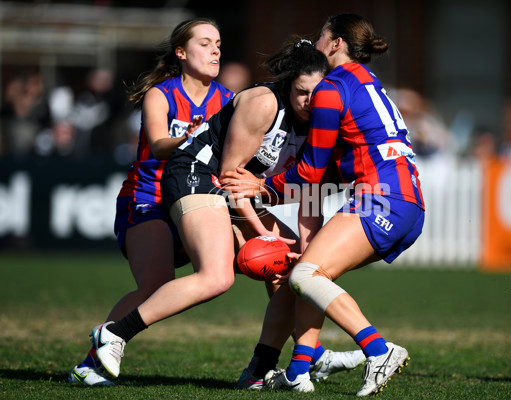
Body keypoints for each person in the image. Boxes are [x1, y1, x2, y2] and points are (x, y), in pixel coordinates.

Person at [86, 36, 364, 383]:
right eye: (301, 92)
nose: (309, 102)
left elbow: (311, 191)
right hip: (196, 173)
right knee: (217, 278)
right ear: (288, 84)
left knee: (297, 274)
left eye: (317, 94)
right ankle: (113, 334)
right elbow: (229, 178)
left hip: (230, 192)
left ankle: (266, 369)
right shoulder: (264, 103)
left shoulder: (323, 122)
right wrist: (262, 233)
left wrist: (305, 252)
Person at [223, 13, 425, 396]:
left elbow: (312, 172)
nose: (314, 44)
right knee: (311, 271)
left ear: (336, 44)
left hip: (380, 198)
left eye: (321, 36)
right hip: (405, 201)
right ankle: (299, 370)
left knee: (304, 276)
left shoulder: (332, 87)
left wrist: (261, 186)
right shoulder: (368, 81)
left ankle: (378, 350)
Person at [68, 18, 234, 386]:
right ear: (181, 52)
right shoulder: (162, 93)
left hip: (197, 197)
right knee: (155, 284)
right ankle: (92, 362)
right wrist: (190, 138)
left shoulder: (226, 99)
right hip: (150, 198)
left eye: (218, 43)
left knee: (264, 256)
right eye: (205, 43)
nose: (215, 50)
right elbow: (159, 144)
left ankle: (295, 358)